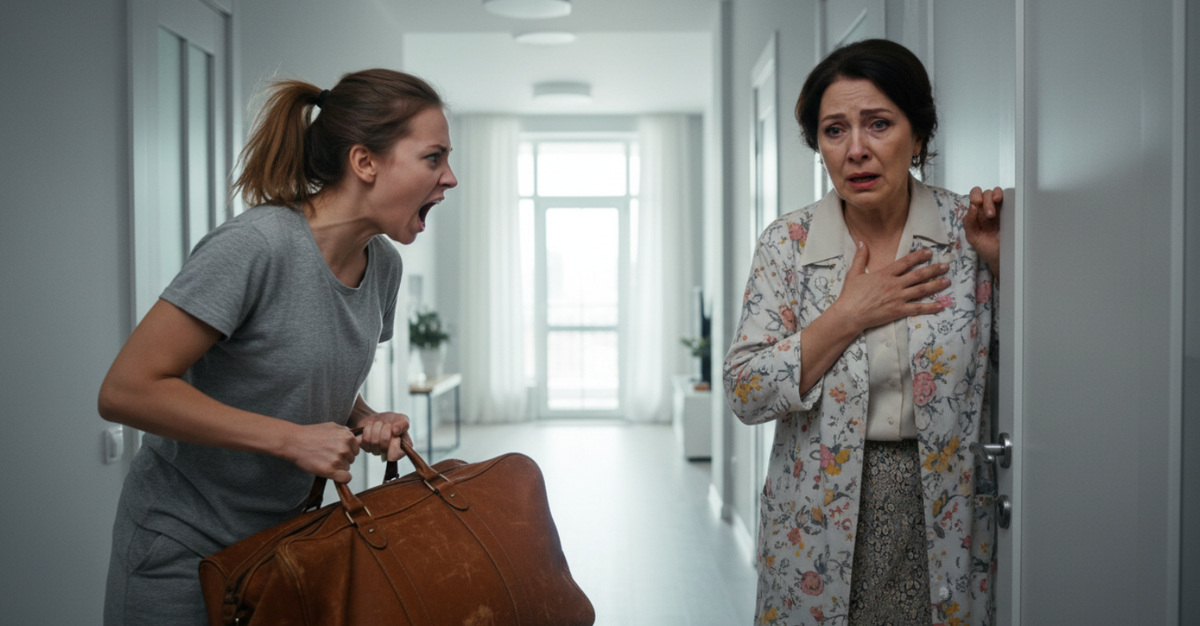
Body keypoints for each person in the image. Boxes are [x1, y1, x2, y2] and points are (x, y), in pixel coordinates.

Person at [98, 68, 458, 626]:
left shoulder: (383, 265)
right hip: (181, 546)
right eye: (433, 158)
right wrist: (292, 440)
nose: (449, 178)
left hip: (284, 545)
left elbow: (300, 372)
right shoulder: (255, 247)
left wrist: (364, 418)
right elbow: (126, 390)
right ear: (365, 162)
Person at [723, 39, 1003, 626]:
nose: (856, 150)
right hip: (815, 512)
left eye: (879, 124)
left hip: (943, 508)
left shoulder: (972, 234)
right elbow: (745, 391)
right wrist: (849, 313)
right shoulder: (787, 245)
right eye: (834, 131)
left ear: (918, 135)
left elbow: (1033, 378)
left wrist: (1005, 268)